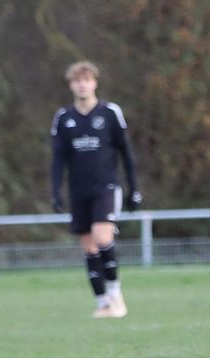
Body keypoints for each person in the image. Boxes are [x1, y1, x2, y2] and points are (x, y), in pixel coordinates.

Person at [50, 61, 141, 319]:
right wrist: (56, 192)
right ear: (71, 85)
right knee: (89, 248)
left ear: (95, 83)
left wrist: (134, 189)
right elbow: (58, 158)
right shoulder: (63, 118)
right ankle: (102, 304)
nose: (82, 85)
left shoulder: (110, 113)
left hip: (106, 187)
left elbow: (126, 153)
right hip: (78, 190)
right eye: (77, 80)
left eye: (87, 80)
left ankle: (116, 295)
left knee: (102, 238)